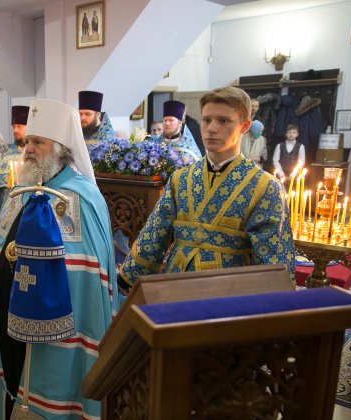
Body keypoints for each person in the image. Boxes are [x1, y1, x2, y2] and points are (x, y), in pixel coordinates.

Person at [0, 98, 118, 420]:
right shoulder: (23, 189)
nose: (29, 149)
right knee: (14, 369)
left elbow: (85, 272)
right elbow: (0, 245)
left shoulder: (80, 197)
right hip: (10, 305)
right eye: (28, 142)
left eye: (38, 142)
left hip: (58, 321)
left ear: (61, 149)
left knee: (48, 381)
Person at [119, 86, 295, 291]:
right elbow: (155, 233)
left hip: (230, 291)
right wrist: (129, 276)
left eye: (223, 121)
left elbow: (272, 257)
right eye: (206, 120)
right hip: (176, 285)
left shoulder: (265, 187)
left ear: (245, 126)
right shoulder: (181, 178)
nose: (212, 128)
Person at [0, 106, 29, 205]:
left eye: (19, 126)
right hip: (7, 198)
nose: (15, 130)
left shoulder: (32, 151)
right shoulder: (10, 151)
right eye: (13, 127)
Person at [157, 100, 202, 166]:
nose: (167, 123)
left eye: (171, 120)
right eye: (165, 120)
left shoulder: (189, 151)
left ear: (180, 123)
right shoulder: (155, 146)